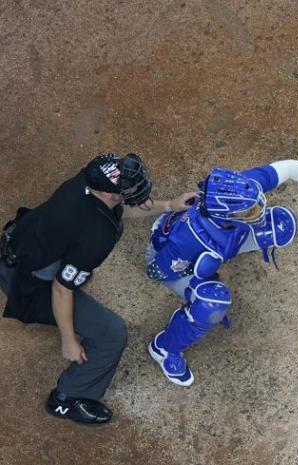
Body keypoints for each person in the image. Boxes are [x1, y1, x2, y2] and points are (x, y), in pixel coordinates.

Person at [145, 160, 298, 386]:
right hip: (176, 263)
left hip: (219, 240)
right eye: (248, 211)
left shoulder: (238, 190)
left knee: (280, 224)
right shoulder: (186, 242)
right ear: (226, 215)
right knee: (212, 302)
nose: (258, 208)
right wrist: (200, 277)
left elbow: (290, 167)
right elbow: (156, 271)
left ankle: (225, 251)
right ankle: (165, 348)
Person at [0, 153, 196, 424]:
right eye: (125, 188)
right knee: (112, 334)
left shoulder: (90, 179)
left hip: (21, 240)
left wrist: (169, 205)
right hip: (27, 280)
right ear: (106, 192)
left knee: (76, 270)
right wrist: (68, 340)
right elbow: (61, 288)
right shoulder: (95, 235)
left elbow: (119, 207)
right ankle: (67, 398)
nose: (132, 188)